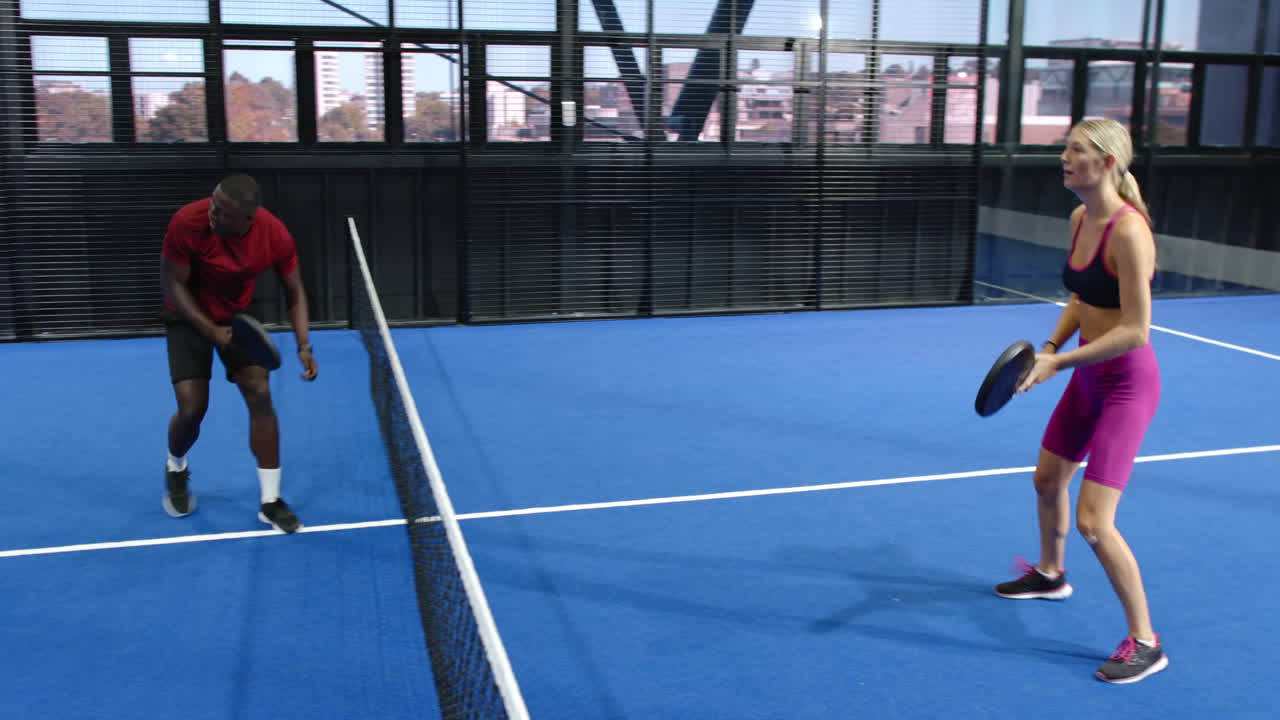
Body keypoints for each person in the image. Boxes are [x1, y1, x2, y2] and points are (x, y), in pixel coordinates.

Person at [995, 118, 1168, 684]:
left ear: (1108, 163)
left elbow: (1138, 330)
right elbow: (1081, 295)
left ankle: (1146, 641)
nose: (1063, 156)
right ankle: (1050, 573)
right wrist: (1047, 348)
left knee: (1096, 521)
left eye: (1076, 149)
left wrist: (1058, 363)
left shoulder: (1128, 232)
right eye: (1064, 148)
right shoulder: (1078, 219)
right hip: (1087, 374)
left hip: (1125, 383)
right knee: (1047, 480)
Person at [159, 173, 318, 534]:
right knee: (192, 407)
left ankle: (270, 502)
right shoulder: (188, 221)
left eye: (224, 213)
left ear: (249, 217)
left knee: (260, 393)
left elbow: (294, 291)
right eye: (214, 205)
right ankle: (176, 466)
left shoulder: (273, 235)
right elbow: (173, 283)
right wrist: (211, 332)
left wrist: (303, 344)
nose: (213, 214)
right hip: (186, 315)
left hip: (236, 316)